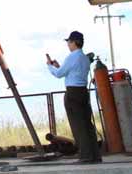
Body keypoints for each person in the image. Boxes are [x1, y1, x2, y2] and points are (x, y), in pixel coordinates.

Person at [46, 31, 101, 164]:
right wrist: (58, 66)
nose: (68, 45)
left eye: (69, 42)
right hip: (83, 92)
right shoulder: (84, 58)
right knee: (87, 125)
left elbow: (59, 74)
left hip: (72, 93)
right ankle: (95, 156)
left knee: (78, 126)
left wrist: (50, 66)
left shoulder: (72, 57)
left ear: (74, 42)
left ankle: (85, 156)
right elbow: (69, 72)